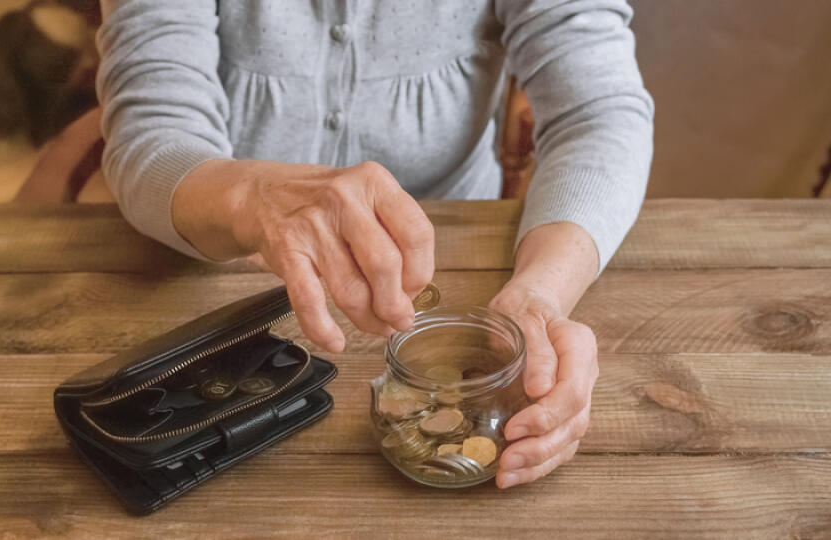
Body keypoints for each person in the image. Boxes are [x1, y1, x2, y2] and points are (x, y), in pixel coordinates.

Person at [96, 0, 654, 489]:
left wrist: (540, 297)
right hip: (208, 271)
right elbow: (152, 126)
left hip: (463, 253)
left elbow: (599, 113)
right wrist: (250, 198)